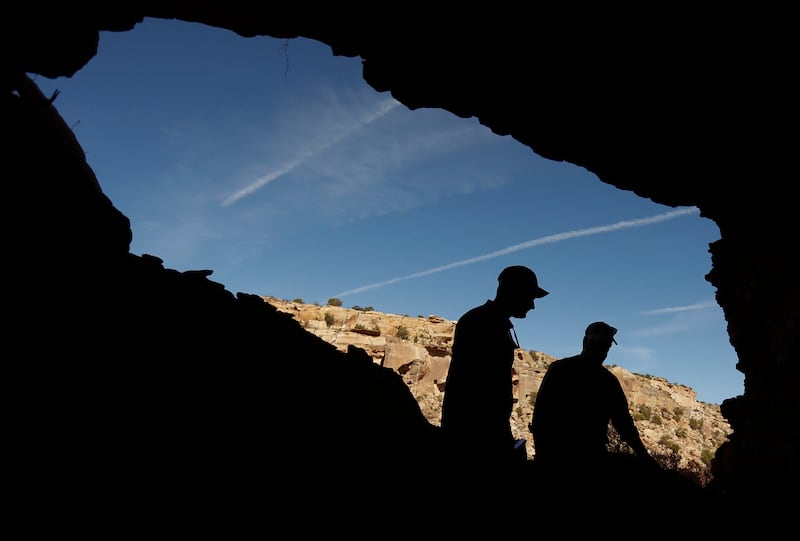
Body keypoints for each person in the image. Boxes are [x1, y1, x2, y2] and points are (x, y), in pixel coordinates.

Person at [440, 265, 548, 472]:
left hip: (482, 431)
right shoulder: (482, 322)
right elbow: (476, 386)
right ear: (514, 292)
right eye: (530, 296)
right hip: (475, 436)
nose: (532, 305)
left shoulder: (488, 321)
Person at [529, 321, 658, 474]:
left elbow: (624, 422)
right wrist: (644, 455)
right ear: (586, 341)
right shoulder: (602, 379)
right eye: (600, 343)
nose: (603, 350)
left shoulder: (563, 369)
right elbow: (541, 415)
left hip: (578, 456)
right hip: (576, 456)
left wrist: (643, 455)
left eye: (607, 345)